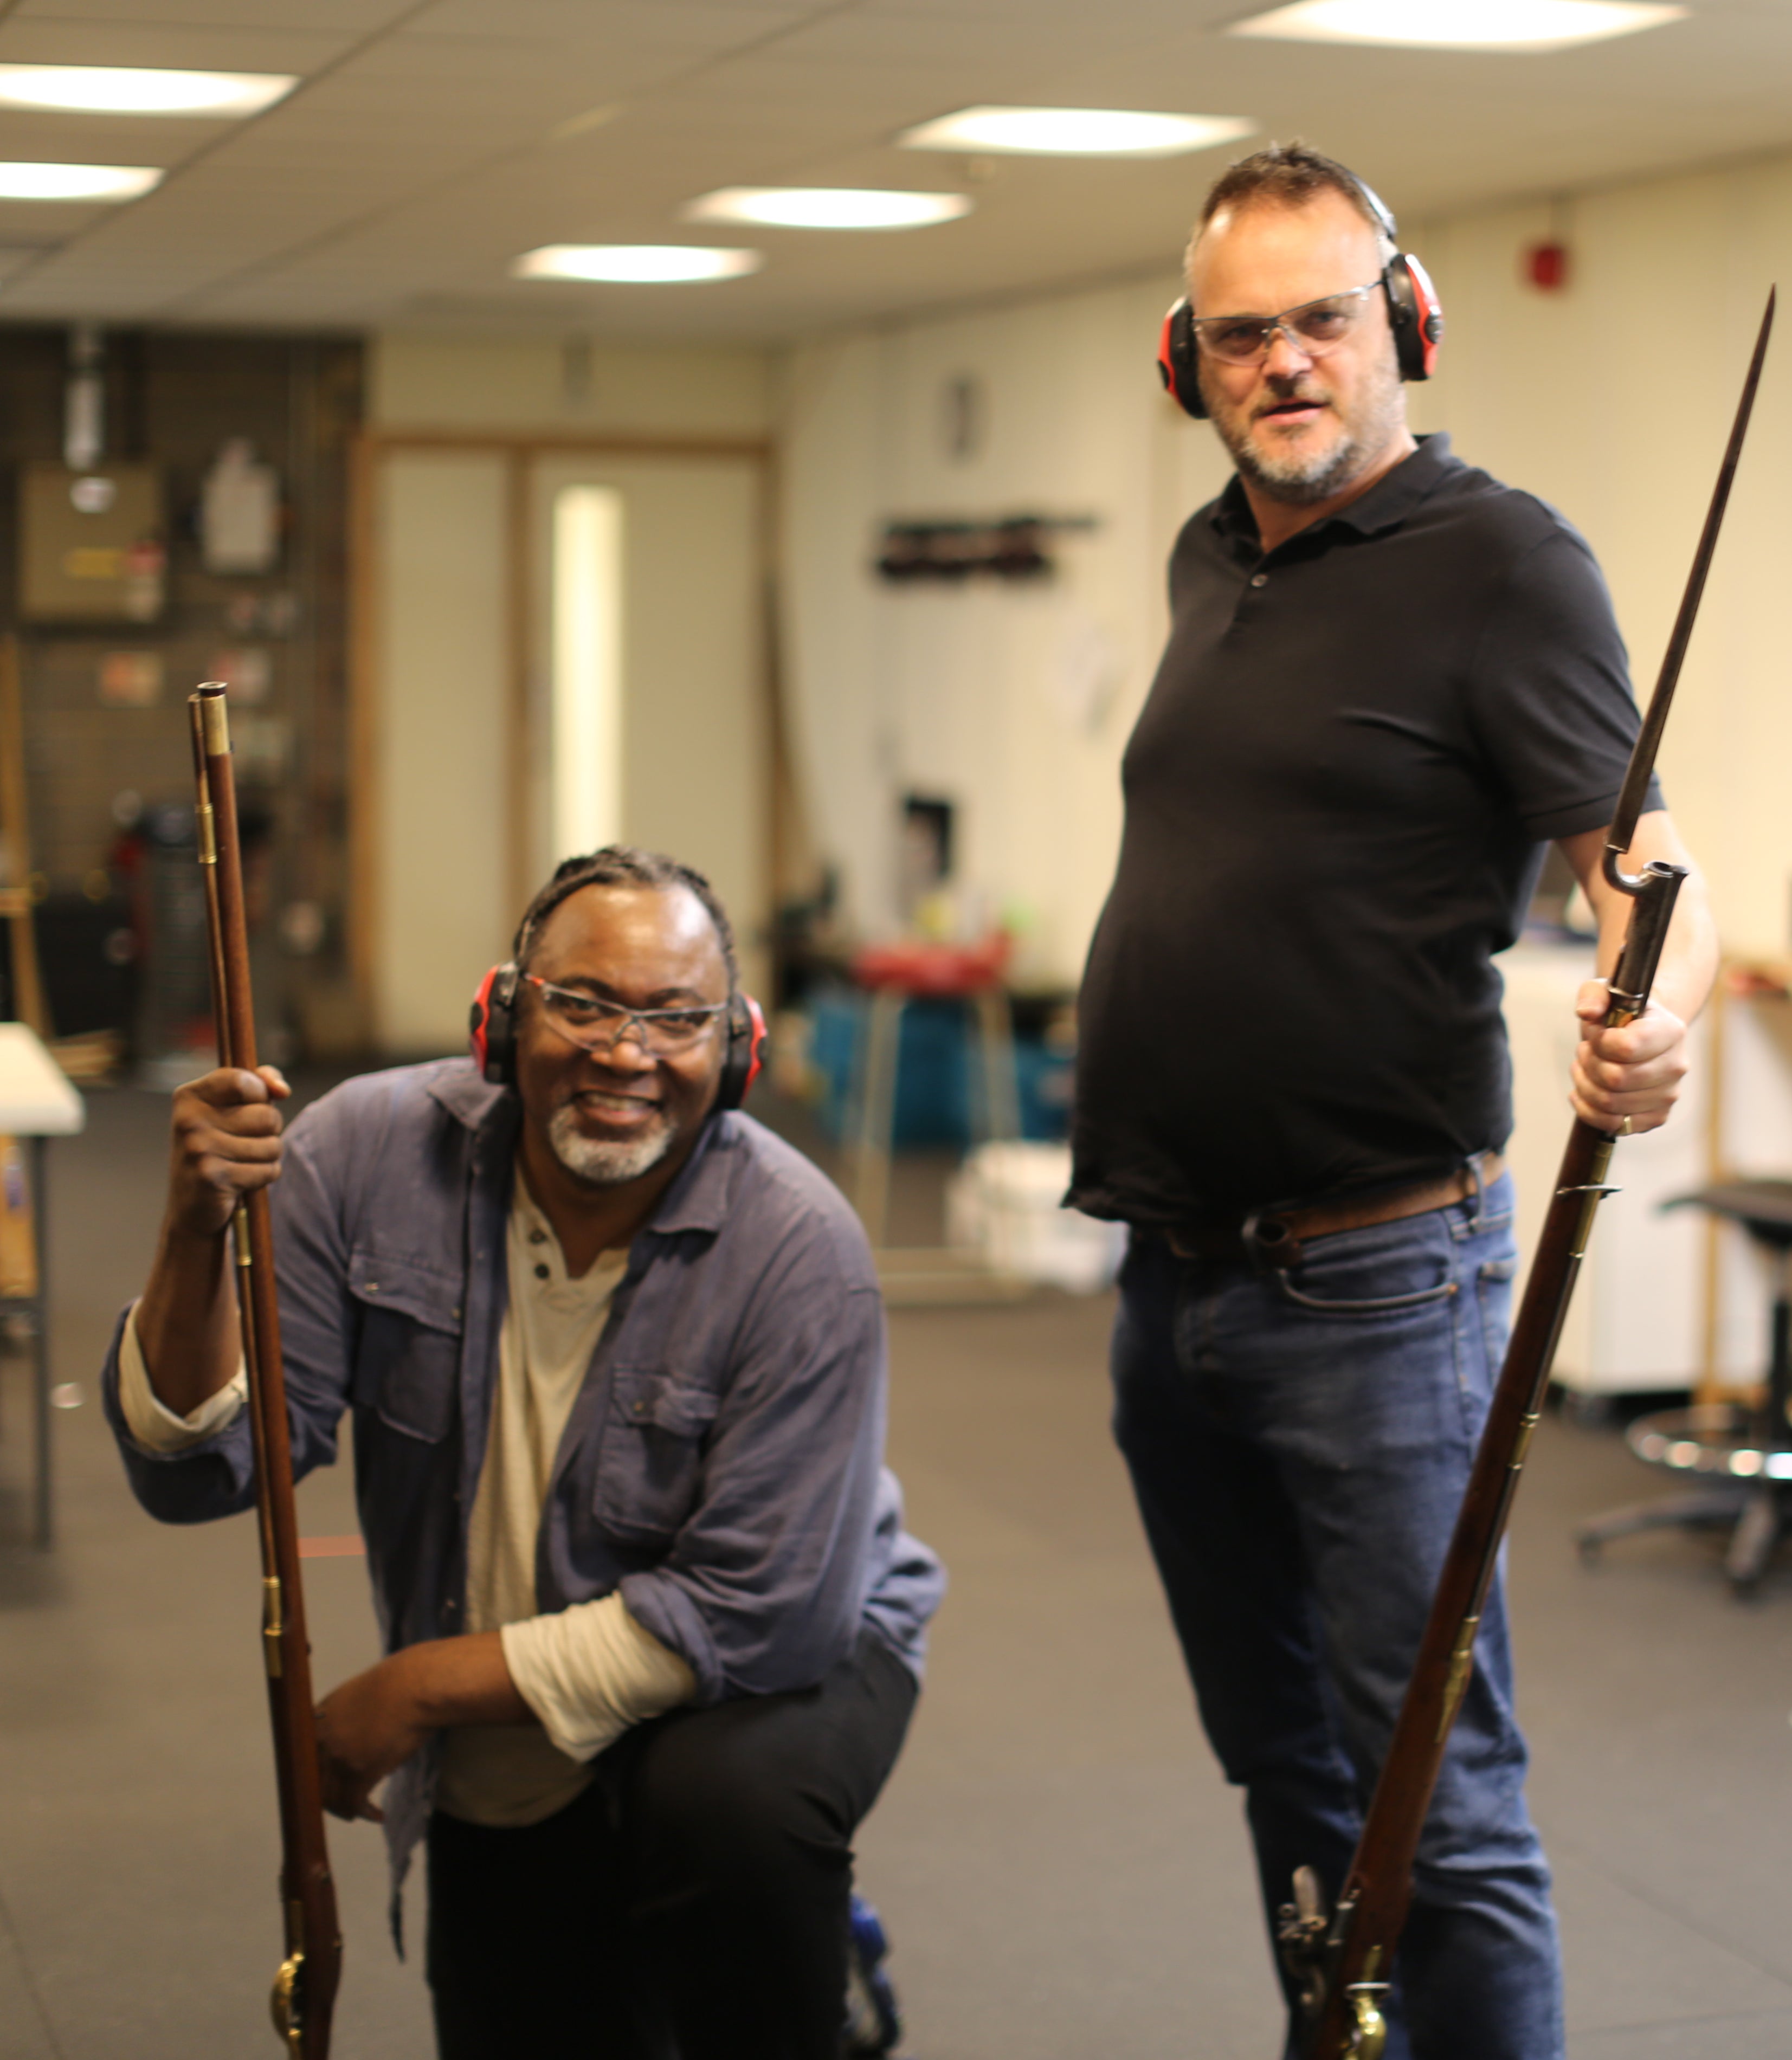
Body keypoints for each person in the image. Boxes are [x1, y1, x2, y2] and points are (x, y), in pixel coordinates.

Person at [1068, 144, 1718, 2060]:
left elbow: (1644, 869)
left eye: (1321, 322)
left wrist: (1650, 1015)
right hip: (1165, 1285)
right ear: (1187, 360)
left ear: (1402, 325)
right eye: (1240, 334)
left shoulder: (1500, 565)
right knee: (1282, 1769)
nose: (1284, 364)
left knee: (1437, 1802)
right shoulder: (1210, 555)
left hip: (1373, 1290)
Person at [101, 844, 944, 2060]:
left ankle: (801, 1973)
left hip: (790, 1643)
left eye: (675, 1017)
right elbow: (199, 1474)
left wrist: (416, 1685)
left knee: (726, 1813)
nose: (626, 1053)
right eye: (585, 1002)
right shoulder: (362, 1156)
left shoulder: (800, 1245)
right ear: (503, 1014)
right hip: (524, 1689)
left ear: (739, 1047)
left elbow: (763, 1612)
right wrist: (193, 1233)